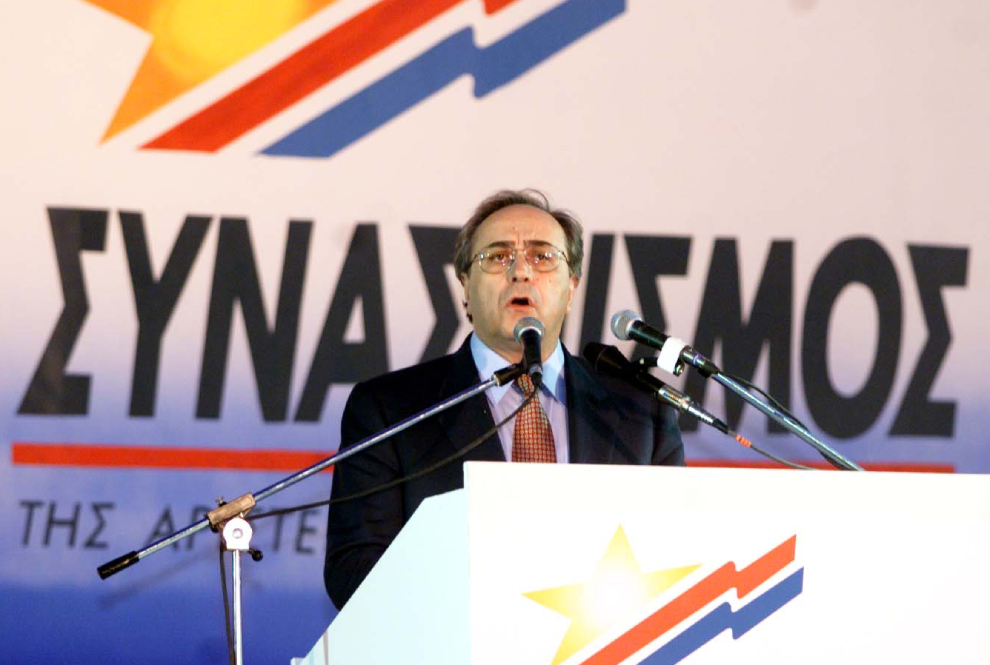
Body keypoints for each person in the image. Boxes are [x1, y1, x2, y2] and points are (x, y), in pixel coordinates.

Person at [323, 190, 684, 609]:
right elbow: (355, 570)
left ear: (572, 288)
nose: (520, 272)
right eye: (497, 257)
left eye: (542, 256)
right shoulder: (389, 410)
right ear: (465, 286)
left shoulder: (642, 412)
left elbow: (675, 557)